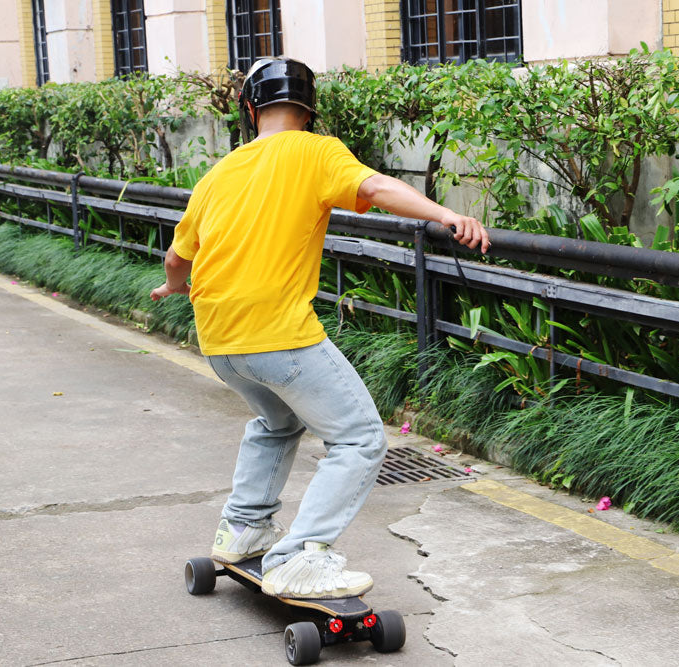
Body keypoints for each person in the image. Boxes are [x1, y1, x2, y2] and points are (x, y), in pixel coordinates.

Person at [150, 57, 489, 600]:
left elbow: (175, 258)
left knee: (276, 422)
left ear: (250, 108)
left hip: (218, 339)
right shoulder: (316, 150)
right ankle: (301, 556)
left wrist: (173, 289)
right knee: (358, 437)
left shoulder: (219, 173)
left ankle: (244, 528)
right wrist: (444, 215)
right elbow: (375, 188)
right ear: (308, 112)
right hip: (278, 334)